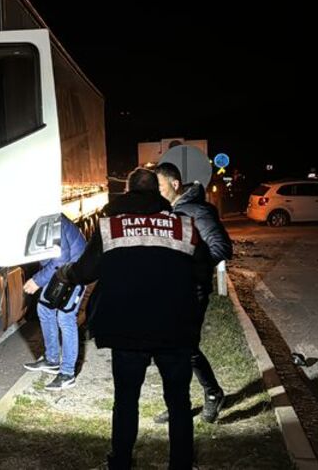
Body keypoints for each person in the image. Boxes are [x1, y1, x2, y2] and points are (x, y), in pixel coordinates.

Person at [57, 168, 199, 470]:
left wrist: (65, 273)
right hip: (174, 327)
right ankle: (181, 464)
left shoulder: (111, 226)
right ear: (157, 193)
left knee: (126, 400)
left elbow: (86, 272)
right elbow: (201, 270)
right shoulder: (183, 225)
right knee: (178, 401)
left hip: (127, 329)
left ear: (127, 192)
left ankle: (120, 461)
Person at [156, 163, 233, 423]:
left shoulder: (198, 211)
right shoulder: (167, 211)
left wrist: (190, 270)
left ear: (175, 184)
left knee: (183, 347)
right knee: (172, 348)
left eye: (160, 187)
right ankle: (180, 402)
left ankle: (212, 393)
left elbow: (221, 247)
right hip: (171, 291)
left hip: (193, 290)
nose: (157, 192)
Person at [22, 214, 87, 391]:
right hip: (62, 270)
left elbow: (61, 259)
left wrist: (37, 280)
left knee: (65, 317)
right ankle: (52, 360)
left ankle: (67, 374)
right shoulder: (41, 216)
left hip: (75, 270)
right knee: (44, 309)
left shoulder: (49, 219)